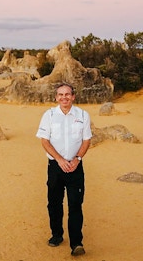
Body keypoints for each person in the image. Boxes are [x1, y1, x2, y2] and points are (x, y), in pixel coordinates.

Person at [36, 83, 92, 257]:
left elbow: (86, 140)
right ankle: (57, 235)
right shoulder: (49, 115)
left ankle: (76, 243)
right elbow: (45, 141)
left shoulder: (83, 115)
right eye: (60, 95)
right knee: (54, 203)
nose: (64, 98)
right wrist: (59, 160)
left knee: (75, 204)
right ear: (56, 97)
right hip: (55, 167)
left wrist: (77, 159)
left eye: (67, 94)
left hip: (75, 167)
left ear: (73, 96)